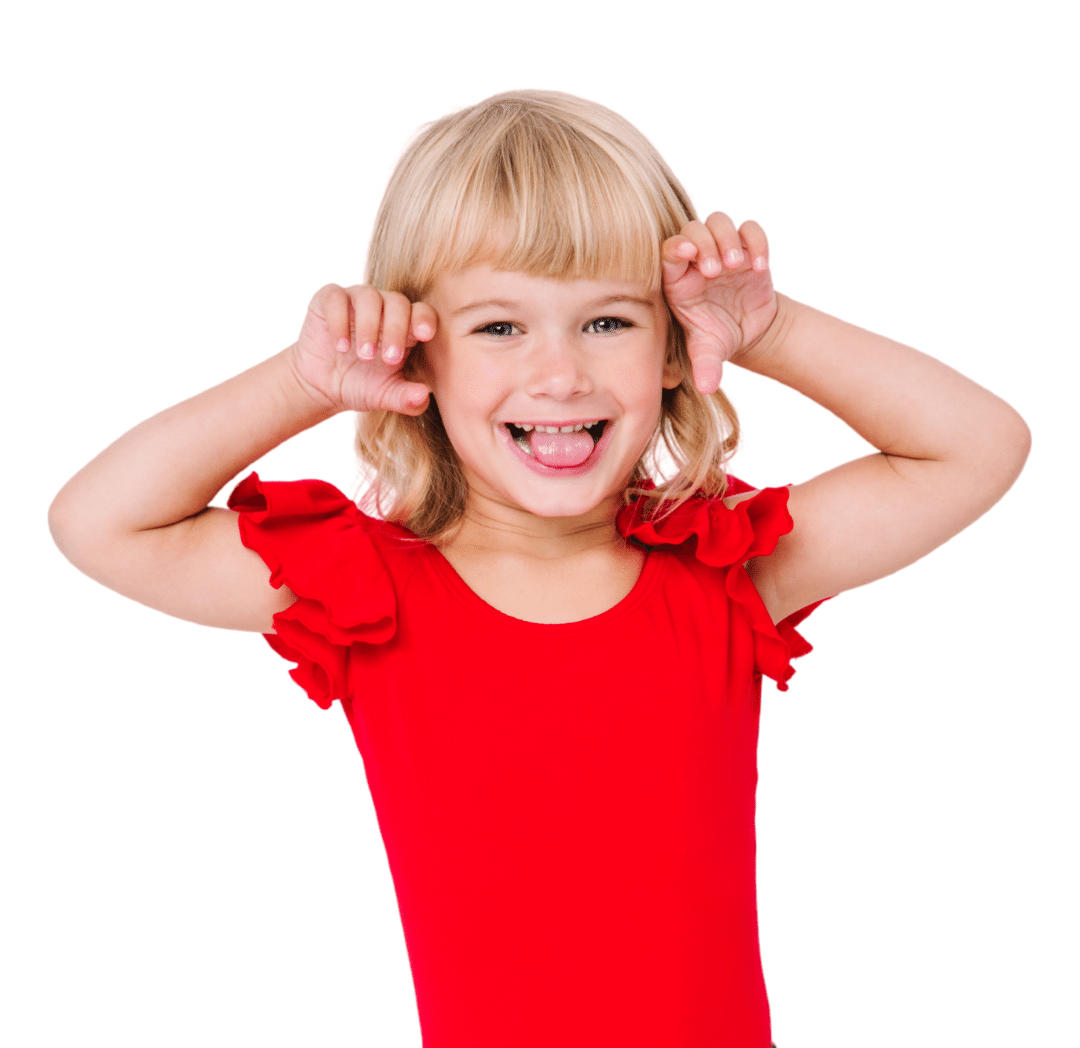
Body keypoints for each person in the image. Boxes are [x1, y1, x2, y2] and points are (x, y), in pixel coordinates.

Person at [48, 90, 1030, 1048]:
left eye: (608, 322)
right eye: (498, 326)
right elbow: (101, 524)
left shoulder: (721, 572)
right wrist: (306, 380)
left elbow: (976, 446)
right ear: (418, 354)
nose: (560, 375)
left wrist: (770, 328)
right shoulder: (370, 591)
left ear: (676, 347)